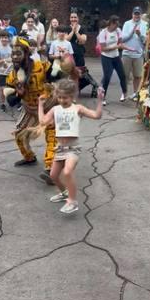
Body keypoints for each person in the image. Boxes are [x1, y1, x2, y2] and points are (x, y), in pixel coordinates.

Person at [38, 79, 104, 214]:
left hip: (73, 148)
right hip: (60, 148)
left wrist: (99, 101)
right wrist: (40, 105)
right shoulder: (55, 109)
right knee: (54, 176)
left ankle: (72, 201)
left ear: (72, 96)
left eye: (65, 97)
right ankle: (64, 193)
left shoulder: (77, 108)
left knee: (67, 172)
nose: (62, 100)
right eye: (60, 97)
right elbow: (43, 121)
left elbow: (97, 116)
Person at [5, 36, 57, 184]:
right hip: (29, 108)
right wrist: (18, 94)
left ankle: (51, 169)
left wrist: (59, 64)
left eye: (18, 53)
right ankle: (29, 157)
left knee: (51, 135)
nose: (15, 57)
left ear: (26, 54)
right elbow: (10, 100)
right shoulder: (12, 75)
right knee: (20, 134)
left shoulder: (41, 65)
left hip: (48, 105)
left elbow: (56, 75)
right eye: (13, 54)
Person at [99, 15, 128, 105]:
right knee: (107, 77)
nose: (117, 26)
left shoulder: (118, 31)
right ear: (111, 23)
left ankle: (124, 93)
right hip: (106, 57)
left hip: (116, 56)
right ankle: (103, 97)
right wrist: (116, 46)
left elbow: (120, 42)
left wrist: (121, 45)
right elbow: (103, 48)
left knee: (122, 75)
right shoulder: (103, 33)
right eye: (116, 24)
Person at [121, 6, 147, 100]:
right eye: (135, 14)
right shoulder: (127, 24)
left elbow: (146, 41)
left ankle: (136, 94)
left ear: (140, 14)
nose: (136, 15)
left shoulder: (145, 24)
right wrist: (132, 33)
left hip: (139, 54)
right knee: (125, 75)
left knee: (138, 76)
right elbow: (122, 39)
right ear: (132, 14)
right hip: (127, 53)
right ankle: (124, 93)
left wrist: (140, 35)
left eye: (138, 14)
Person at [0, 29, 12, 111]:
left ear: (8, 38)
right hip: (1, 72)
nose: (4, 39)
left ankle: (13, 102)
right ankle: (3, 104)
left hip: (10, 72)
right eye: (2, 37)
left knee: (11, 88)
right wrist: (5, 60)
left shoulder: (11, 48)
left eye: (6, 37)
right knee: (2, 89)